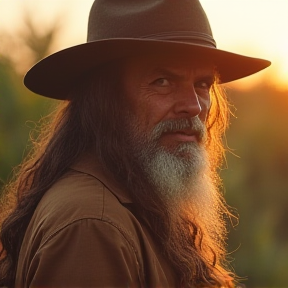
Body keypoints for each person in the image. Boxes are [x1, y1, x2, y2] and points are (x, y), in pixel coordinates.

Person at [0, 0, 270, 287]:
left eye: (202, 84)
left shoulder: (141, 198)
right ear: (106, 100)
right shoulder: (93, 226)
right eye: (163, 81)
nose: (193, 106)